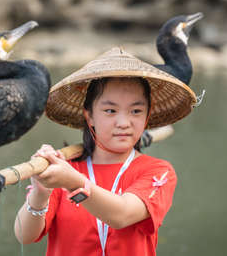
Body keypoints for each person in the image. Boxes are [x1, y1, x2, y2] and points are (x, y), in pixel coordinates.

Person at [14, 47, 197, 256]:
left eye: (136, 111)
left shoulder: (157, 171)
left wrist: (72, 182)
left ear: (147, 116)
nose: (123, 123)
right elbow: (24, 236)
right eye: (110, 111)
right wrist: (40, 193)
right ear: (89, 116)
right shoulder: (65, 169)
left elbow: (122, 215)